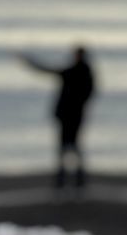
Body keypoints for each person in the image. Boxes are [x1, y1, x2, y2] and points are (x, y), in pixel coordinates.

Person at [19, 46, 96, 189]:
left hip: (68, 114)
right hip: (74, 114)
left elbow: (47, 70)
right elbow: (91, 93)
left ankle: (65, 178)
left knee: (66, 146)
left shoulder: (74, 71)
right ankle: (76, 178)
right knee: (73, 145)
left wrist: (29, 62)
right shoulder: (85, 72)